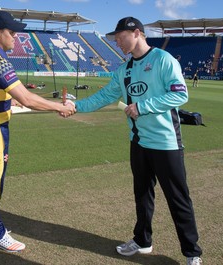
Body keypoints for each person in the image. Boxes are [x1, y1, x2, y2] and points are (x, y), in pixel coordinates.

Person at [66, 17, 203, 265]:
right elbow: (104, 96)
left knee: (178, 199)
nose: (117, 42)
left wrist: (143, 106)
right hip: (138, 143)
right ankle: (142, 241)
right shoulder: (125, 69)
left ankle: (192, 252)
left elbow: (180, 94)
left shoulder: (163, 59)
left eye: (120, 37)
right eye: (115, 39)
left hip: (166, 143)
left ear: (137, 33)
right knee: (142, 195)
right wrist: (75, 106)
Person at [0, 10, 74, 253]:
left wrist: (10, 103)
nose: (16, 37)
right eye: (12, 33)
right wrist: (58, 107)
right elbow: (29, 98)